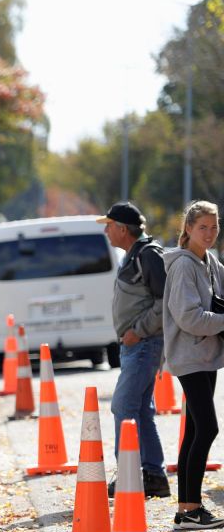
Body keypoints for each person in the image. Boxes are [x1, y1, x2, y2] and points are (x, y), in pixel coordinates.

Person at [99, 201, 171, 499]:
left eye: (109, 225)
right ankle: (154, 476)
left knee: (123, 406)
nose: (106, 230)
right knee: (141, 409)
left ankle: (129, 475)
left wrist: (137, 331)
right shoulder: (134, 254)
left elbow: (164, 301)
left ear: (122, 229)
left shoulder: (148, 255)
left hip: (143, 344)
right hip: (136, 346)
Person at [162, 200, 224, 530]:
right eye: (203, 227)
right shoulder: (184, 265)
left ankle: (186, 509)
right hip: (189, 356)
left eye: (215, 227)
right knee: (208, 428)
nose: (210, 233)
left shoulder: (209, 261)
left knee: (194, 430)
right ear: (188, 228)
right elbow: (188, 317)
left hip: (205, 355)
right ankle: (192, 508)